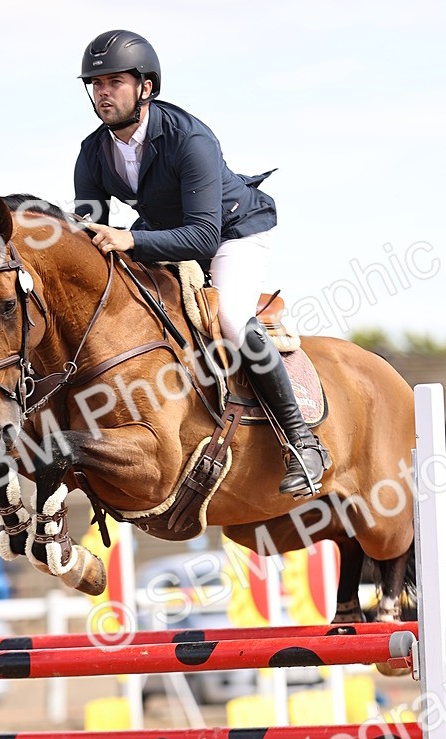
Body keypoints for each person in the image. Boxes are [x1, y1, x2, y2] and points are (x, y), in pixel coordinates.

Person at [73, 29, 330, 498]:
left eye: (114, 82)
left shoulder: (189, 139)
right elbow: (91, 232)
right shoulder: (93, 153)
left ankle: (303, 442)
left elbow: (204, 235)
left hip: (232, 233)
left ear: (146, 87)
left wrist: (130, 239)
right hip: (163, 235)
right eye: (96, 84)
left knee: (229, 317)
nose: (103, 93)